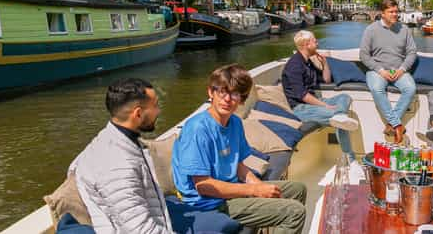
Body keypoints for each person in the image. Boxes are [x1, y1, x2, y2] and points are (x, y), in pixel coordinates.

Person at [71, 78, 241, 234]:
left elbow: (76, 166)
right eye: (156, 105)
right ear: (138, 114)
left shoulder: (114, 140)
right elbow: (140, 230)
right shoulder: (116, 166)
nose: (159, 111)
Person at [171, 65, 307, 234]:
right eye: (222, 91)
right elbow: (203, 186)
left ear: (242, 99)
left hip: (230, 189)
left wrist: (258, 185)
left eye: (234, 94)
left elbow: (238, 166)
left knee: (298, 189)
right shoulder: (197, 129)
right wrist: (254, 190)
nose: (227, 99)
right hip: (207, 203)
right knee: (295, 212)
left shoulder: (235, 123)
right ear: (210, 92)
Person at [282, 30, 360, 161]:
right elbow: (303, 96)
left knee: (345, 97)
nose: (317, 43)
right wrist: (325, 106)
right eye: (314, 41)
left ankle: (339, 115)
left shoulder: (308, 62)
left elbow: (326, 80)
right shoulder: (294, 65)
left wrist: (324, 63)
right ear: (307, 44)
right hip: (300, 108)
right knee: (339, 118)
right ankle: (350, 159)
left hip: (314, 101)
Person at [359, 0, 418, 144]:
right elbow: (364, 55)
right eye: (391, 12)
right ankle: (397, 125)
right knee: (377, 88)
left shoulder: (404, 29)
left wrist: (403, 69)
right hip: (377, 70)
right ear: (382, 13)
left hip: (399, 70)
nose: (394, 14)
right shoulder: (371, 30)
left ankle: (391, 124)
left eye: (396, 11)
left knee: (411, 88)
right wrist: (380, 70)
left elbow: (412, 52)